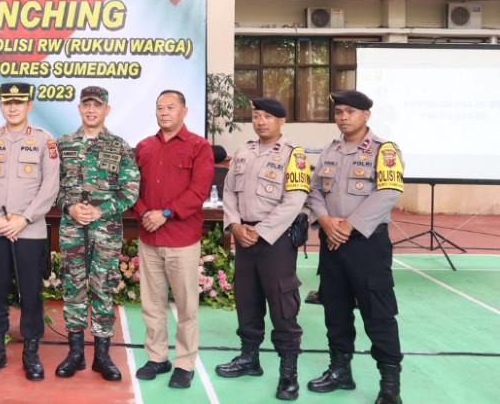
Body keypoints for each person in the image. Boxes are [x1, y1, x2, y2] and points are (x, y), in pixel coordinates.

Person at [306, 90, 405, 404]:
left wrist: (348, 225)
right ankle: (340, 371)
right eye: (339, 112)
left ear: (366, 116)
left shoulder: (383, 150)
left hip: (366, 245)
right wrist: (324, 221)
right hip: (332, 243)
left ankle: (389, 386)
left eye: (350, 111)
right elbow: (315, 189)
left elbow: (388, 192)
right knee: (335, 310)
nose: (343, 117)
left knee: (378, 313)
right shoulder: (330, 150)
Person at [216, 97, 309, 401]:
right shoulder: (244, 151)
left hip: (275, 241)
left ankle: (288, 374)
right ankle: (249, 359)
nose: (261, 121)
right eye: (256, 116)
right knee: (247, 300)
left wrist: (262, 231)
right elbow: (228, 191)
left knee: (282, 306)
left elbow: (294, 201)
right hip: (244, 236)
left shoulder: (294, 156)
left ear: (281, 121)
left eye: (268, 117)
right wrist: (235, 225)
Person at [0, 82, 60, 381]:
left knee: (31, 292)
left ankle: (30, 351)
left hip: (29, 229)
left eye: (19, 103)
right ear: (0, 106)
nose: (13, 107)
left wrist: (24, 219)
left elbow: (50, 186)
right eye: (7, 102)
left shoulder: (43, 141)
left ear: (29, 106)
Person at [54, 86, 140, 382]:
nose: (91, 110)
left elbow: (131, 191)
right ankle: (75, 353)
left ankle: (102, 356)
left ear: (107, 110)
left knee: (103, 289)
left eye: (97, 106)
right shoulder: (63, 144)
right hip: (73, 232)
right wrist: (69, 207)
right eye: (86, 105)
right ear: (79, 108)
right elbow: (53, 187)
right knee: (73, 289)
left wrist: (102, 211)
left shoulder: (120, 147)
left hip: (106, 232)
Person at [131, 89, 214, 389]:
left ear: (184, 111)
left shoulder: (198, 146)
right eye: (159, 108)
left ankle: (184, 362)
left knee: (186, 306)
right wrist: (144, 213)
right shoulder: (143, 147)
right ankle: (157, 358)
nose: (164, 112)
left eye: (171, 107)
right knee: (151, 304)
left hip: (181, 239)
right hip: (149, 238)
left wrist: (165, 213)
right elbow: (131, 188)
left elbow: (198, 192)